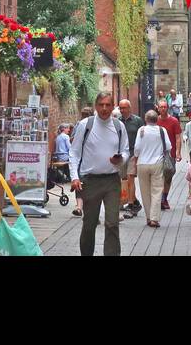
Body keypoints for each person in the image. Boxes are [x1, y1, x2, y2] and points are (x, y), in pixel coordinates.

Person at [69, 92, 131, 257]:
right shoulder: (86, 125)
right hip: (90, 181)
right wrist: (74, 177)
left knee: (112, 224)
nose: (104, 108)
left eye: (108, 105)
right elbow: (74, 153)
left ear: (112, 106)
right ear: (96, 106)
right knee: (89, 224)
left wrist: (120, 159)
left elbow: (125, 151)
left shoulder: (119, 126)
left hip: (111, 180)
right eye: (101, 105)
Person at [131, 110, 171, 227]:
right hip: (157, 163)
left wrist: (137, 157)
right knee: (157, 191)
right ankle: (154, 218)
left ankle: (148, 217)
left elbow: (137, 148)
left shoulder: (141, 130)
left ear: (146, 119)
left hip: (142, 163)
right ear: (157, 119)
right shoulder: (162, 130)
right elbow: (168, 146)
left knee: (145, 191)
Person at [117, 99, 145, 216]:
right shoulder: (117, 122)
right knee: (122, 179)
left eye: (124, 108)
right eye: (120, 108)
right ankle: (133, 202)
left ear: (129, 108)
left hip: (134, 154)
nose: (122, 110)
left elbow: (143, 137)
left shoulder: (137, 121)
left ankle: (130, 204)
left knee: (130, 178)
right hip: (122, 154)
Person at [155, 100, 183, 211]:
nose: (163, 109)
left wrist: (178, 152)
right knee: (158, 176)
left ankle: (164, 197)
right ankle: (160, 199)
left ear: (168, 108)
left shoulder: (174, 121)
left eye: (165, 107)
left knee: (168, 176)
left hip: (170, 154)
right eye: (161, 107)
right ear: (158, 108)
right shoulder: (155, 120)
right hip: (156, 154)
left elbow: (177, 138)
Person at [71, 106, 92, 217]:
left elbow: (72, 139)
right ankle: (81, 208)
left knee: (80, 182)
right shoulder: (92, 124)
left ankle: (79, 207)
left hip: (81, 158)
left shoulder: (79, 124)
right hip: (86, 158)